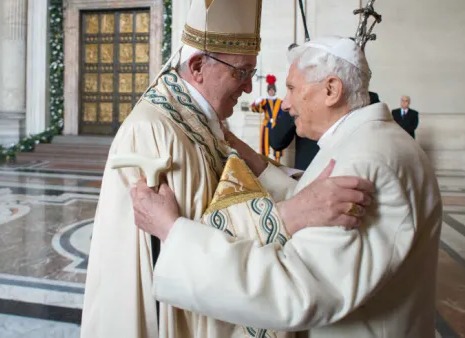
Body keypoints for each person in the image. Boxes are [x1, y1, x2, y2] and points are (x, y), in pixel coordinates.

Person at [81, 0, 373, 338]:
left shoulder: (201, 118)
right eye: (242, 73)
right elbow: (171, 243)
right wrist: (289, 215)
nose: (250, 87)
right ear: (198, 66)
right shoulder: (155, 129)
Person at [131, 35, 442, 337]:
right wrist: (248, 155)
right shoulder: (367, 142)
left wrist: (173, 233)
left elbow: (297, 288)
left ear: (331, 90)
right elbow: (313, 200)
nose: (286, 103)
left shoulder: (366, 162)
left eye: (292, 88)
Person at [251, 74, 284, 162]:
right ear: (268, 91)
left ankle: (277, 162)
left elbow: (284, 113)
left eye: (272, 90)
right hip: (266, 125)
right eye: (269, 90)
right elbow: (256, 109)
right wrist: (257, 103)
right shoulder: (264, 101)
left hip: (277, 126)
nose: (271, 92)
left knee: (277, 144)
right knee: (264, 145)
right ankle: (265, 162)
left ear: (275, 91)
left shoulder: (280, 102)